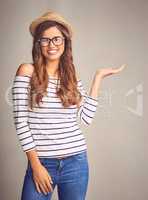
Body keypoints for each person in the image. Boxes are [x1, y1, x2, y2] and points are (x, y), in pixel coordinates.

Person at [11, 10, 126, 200]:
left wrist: (97, 78)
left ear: (65, 42)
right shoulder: (27, 71)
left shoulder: (71, 78)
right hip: (41, 162)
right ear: (38, 44)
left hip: (76, 162)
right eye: (45, 40)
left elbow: (86, 118)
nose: (51, 45)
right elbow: (21, 122)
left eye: (56, 39)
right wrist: (36, 165)